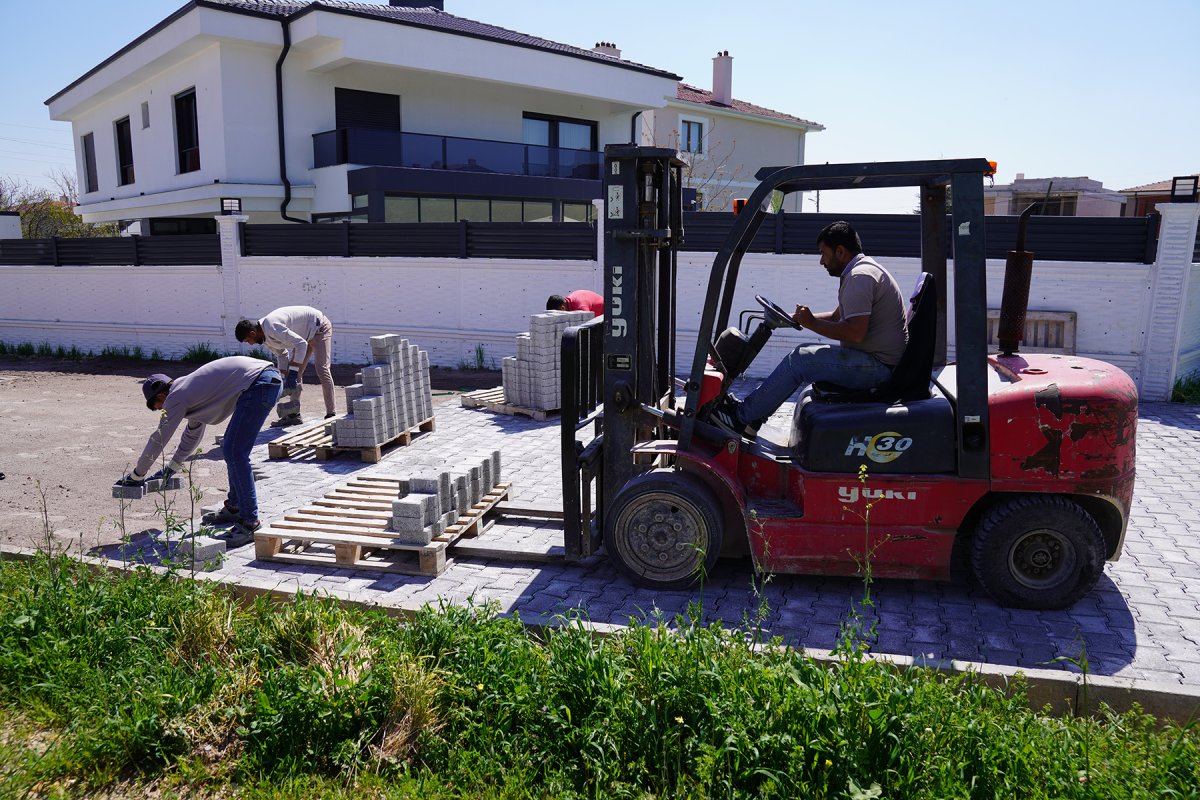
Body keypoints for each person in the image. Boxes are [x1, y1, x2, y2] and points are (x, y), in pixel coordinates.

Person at [710, 220, 907, 439]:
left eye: (823, 254)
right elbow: (836, 317)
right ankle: (753, 415)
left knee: (801, 360)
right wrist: (801, 320)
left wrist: (811, 322)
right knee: (803, 357)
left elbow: (855, 333)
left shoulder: (859, 277)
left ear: (840, 251)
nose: (821, 261)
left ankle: (740, 419)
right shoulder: (861, 271)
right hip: (875, 362)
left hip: (878, 368)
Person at [115, 356, 282, 539]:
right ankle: (235, 507)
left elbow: (160, 437)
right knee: (231, 446)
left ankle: (250, 522)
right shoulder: (191, 393)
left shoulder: (176, 396)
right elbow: (191, 438)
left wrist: (137, 475)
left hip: (260, 383)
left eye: (159, 407)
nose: (163, 410)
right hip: (263, 380)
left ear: (161, 396)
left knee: (235, 452)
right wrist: (171, 469)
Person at [234, 305, 335, 425]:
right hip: (303, 337)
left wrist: (292, 372)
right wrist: (281, 379)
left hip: (319, 328)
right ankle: (294, 415)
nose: (250, 344)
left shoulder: (272, 327)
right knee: (296, 375)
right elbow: (282, 355)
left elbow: (301, 344)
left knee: (321, 369)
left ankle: (331, 414)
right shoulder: (264, 336)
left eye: (248, 341)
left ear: (252, 333)